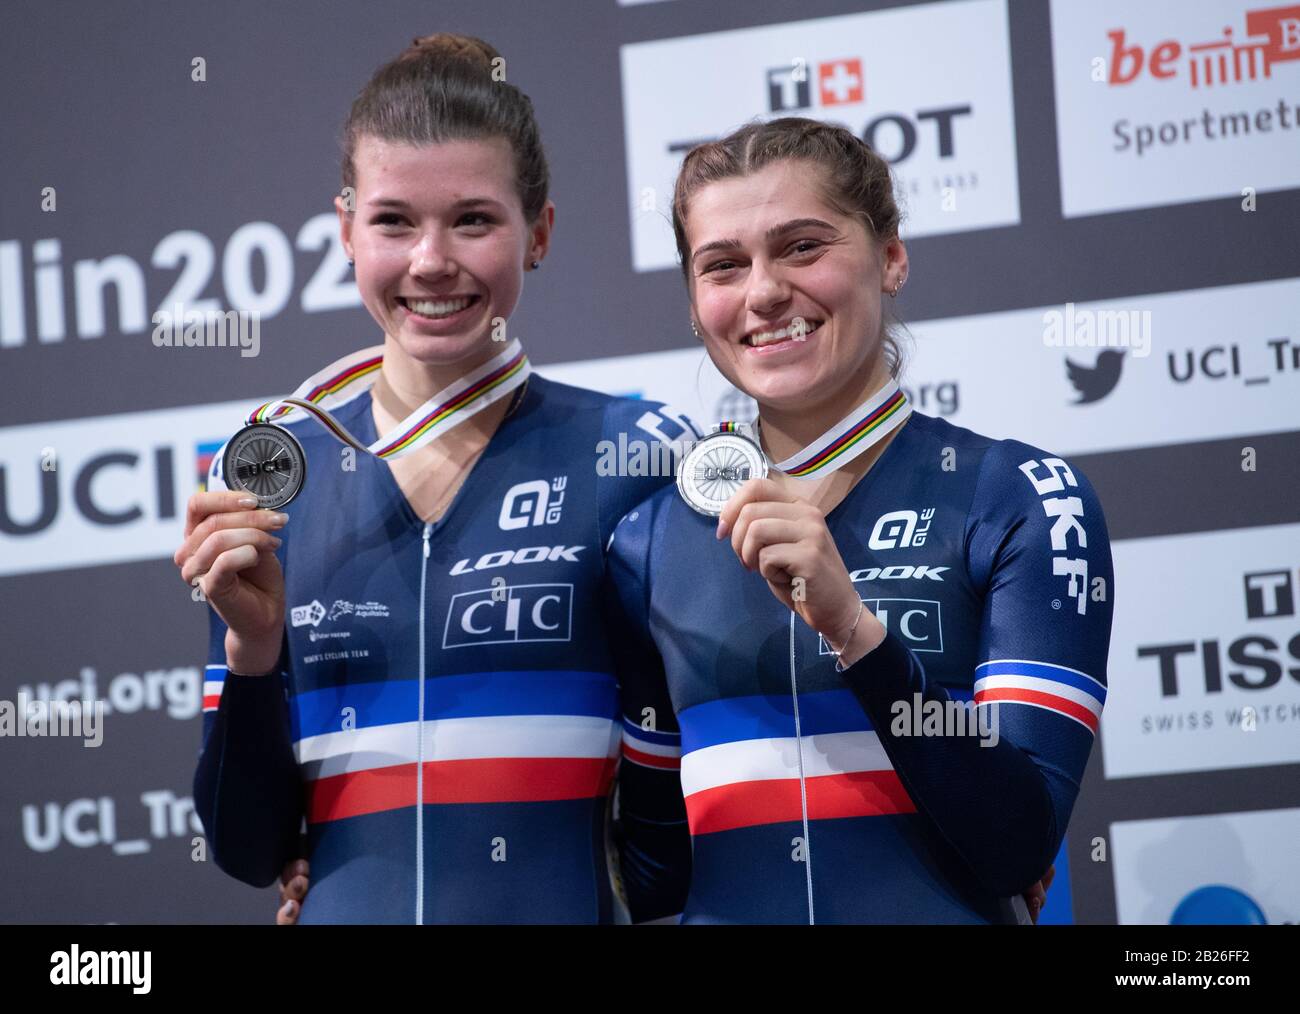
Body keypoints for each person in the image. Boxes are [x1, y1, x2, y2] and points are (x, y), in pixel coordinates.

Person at [176, 33, 695, 923]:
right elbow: (250, 848)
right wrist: (253, 657)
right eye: (393, 221)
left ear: (539, 232)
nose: (430, 260)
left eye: (473, 220)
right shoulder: (267, 476)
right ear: (344, 230)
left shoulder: (640, 455)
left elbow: (682, 830)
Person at [600, 116, 1111, 923]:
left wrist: (855, 632)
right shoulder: (648, 544)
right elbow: (657, 870)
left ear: (892, 256)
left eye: (803, 247)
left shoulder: (1018, 497)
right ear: (697, 306)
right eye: (723, 265)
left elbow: (1018, 843)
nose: (764, 291)